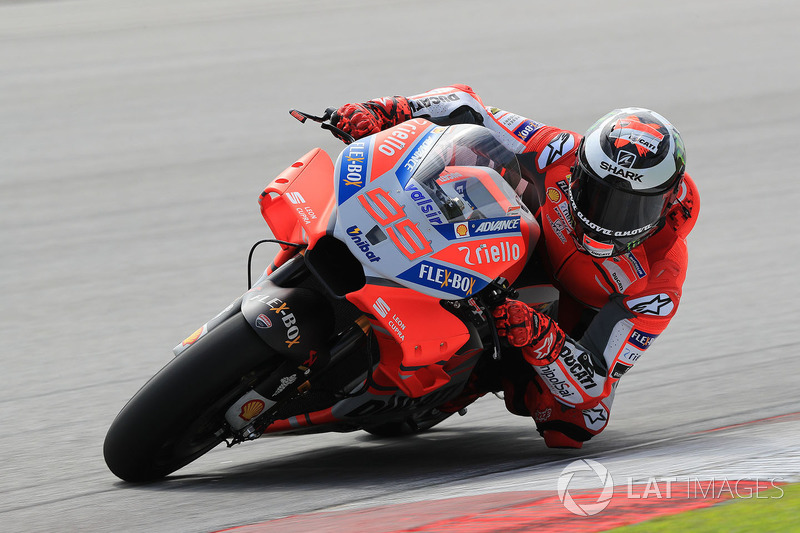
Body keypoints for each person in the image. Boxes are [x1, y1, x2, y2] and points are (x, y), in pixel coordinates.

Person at [330, 85, 700, 448]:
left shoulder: (660, 278)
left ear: (666, 201)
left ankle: (471, 380)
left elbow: (595, 382)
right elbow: (467, 106)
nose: (606, 217)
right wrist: (384, 110)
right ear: (581, 168)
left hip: (564, 316)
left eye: (631, 207)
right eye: (596, 192)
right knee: (460, 157)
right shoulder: (559, 150)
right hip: (508, 237)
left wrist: (542, 337)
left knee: (575, 423)